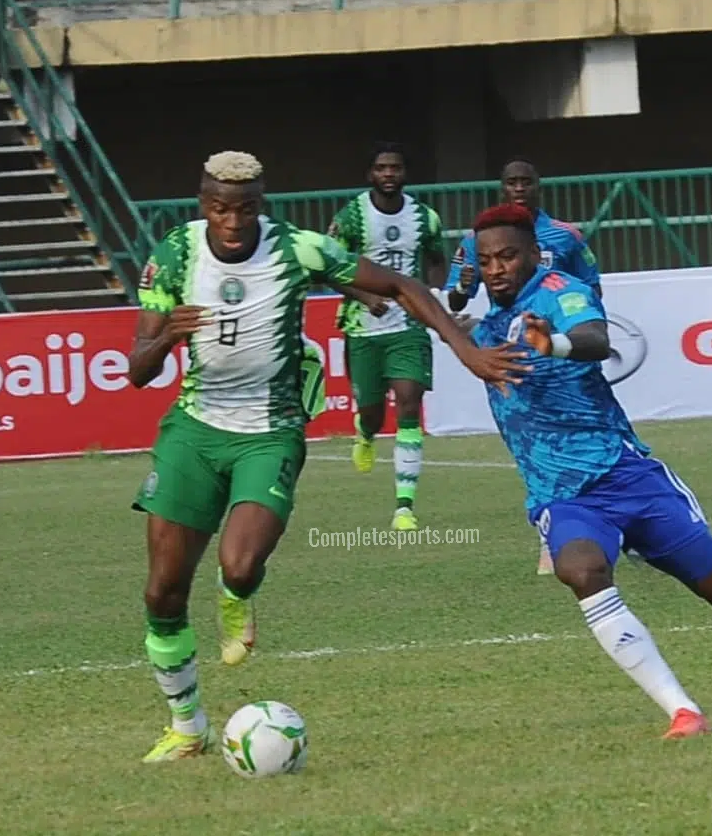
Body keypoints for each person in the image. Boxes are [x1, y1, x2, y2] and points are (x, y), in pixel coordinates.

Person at [127, 151, 528, 764]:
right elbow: (137, 369)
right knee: (162, 593)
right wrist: (166, 338)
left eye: (245, 209)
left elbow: (401, 285)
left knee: (239, 566)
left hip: (270, 432)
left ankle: (236, 596)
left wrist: (465, 349)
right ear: (203, 204)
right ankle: (187, 727)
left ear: (260, 205)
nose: (232, 222)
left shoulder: (298, 247)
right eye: (219, 208)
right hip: (194, 431)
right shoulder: (176, 254)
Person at [463, 202, 712, 739]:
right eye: (486, 261)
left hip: (625, 474)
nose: (496, 269)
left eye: (507, 256)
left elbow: (597, 339)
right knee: (582, 571)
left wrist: (555, 343)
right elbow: (424, 305)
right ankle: (682, 711)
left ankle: (657, 544)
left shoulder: (560, 291)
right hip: (560, 495)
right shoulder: (489, 326)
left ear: (533, 254)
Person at [448, 157, 602, 574]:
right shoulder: (477, 239)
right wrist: (461, 288)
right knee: (531, 433)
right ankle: (556, 533)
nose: (519, 188)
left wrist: (570, 332)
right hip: (512, 345)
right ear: (502, 187)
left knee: (588, 429)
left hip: (563, 349)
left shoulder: (566, 235)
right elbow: (456, 298)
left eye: (525, 181)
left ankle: (628, 520)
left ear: (538, 185)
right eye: (511, 182)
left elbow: (591, 285)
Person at [326, 142, 447, 531]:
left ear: (405, 173)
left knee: (409, 402)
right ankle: (365, 432)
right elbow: (329, 267)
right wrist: (365, 296)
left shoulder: (425, 217)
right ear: (370, 174)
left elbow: (437, 259)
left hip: (408, 328)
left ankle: (404, 508)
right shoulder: (351, 216)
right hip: (363, 328)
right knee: (373, 414)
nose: (389, 174)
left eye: (395, 167)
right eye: (381, 168)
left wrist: (431, 297)